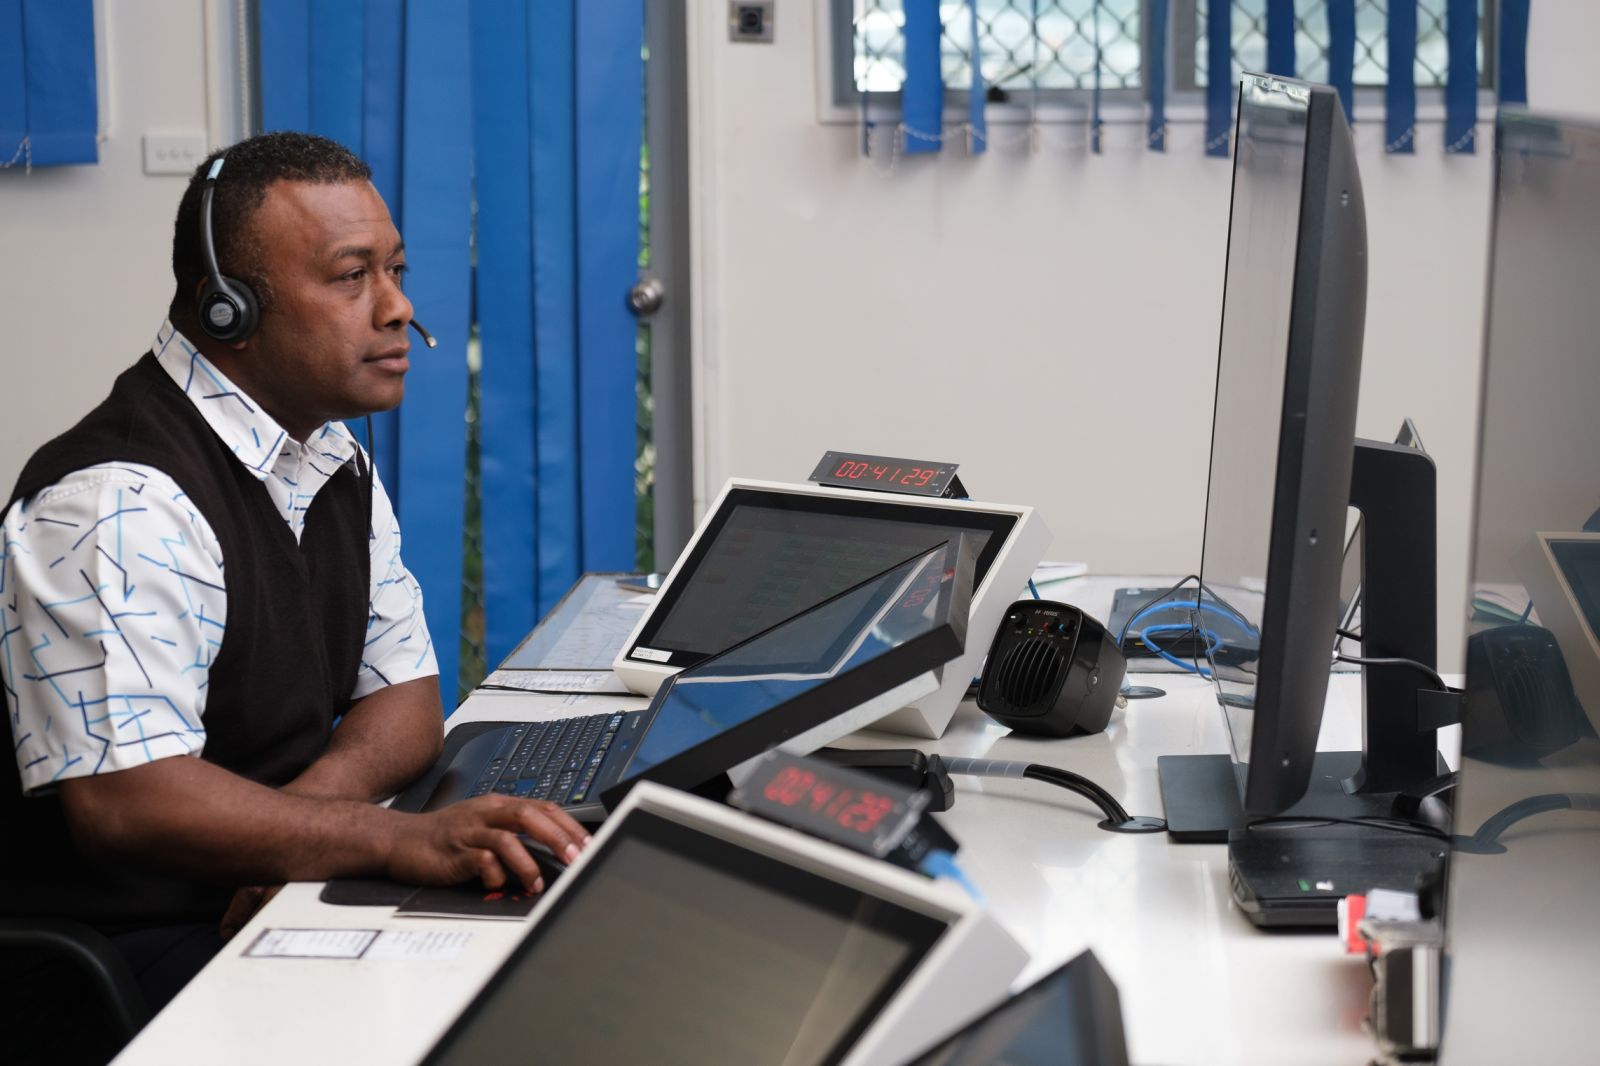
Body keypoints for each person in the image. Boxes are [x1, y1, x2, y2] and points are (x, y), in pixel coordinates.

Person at [0, 132, 587, 1052]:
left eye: (394, 270)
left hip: (268, 894)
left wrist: (300, 838)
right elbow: (128, 804)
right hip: (127, 949)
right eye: (352, 277)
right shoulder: (115, 501)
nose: (398, 308)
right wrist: (386, 840)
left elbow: (407, 705)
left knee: (547, 962)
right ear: (229, 309)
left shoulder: (324, 453)